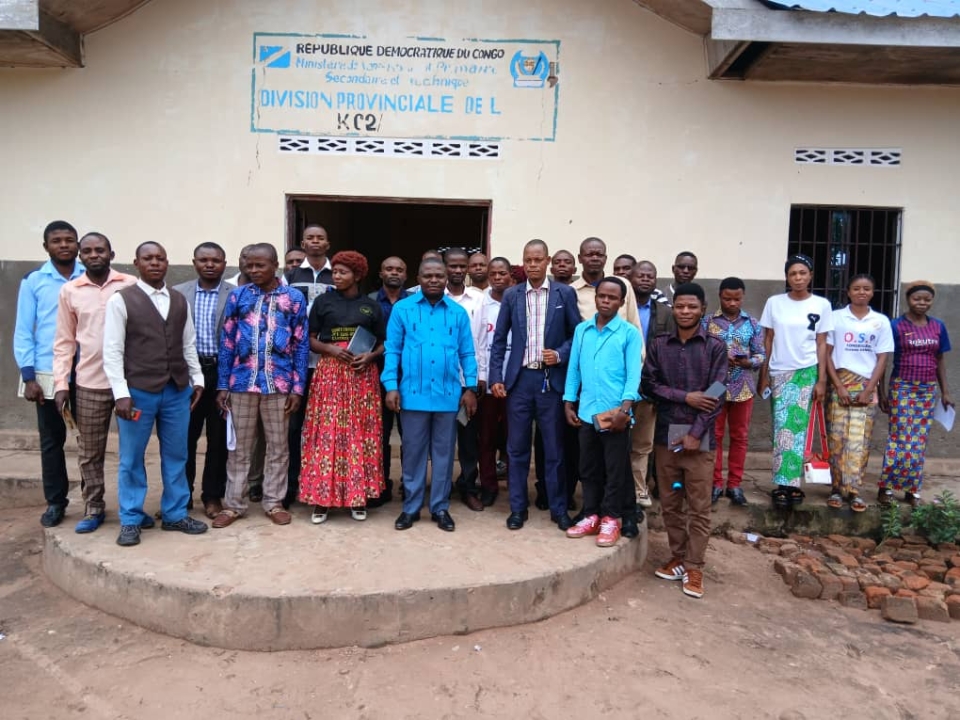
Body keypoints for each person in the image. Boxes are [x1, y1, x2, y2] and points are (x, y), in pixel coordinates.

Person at [102, 241, 208, 546]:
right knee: (131, 457)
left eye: (160, 258)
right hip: (138, 392)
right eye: (147, 258)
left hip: (176, 391)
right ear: (137, 263)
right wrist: (121, 393)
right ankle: (131, 518)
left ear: (167, 262)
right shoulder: (121, 300)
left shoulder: (179, 300)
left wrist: (197, 379)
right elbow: (112, 350)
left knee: (177, 454)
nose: (155, 263)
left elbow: (188, 343)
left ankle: (175, 513)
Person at [213, 243, 309, 528]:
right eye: (250, 265)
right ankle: (234, 505)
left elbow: (301, 344)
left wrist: (297, 388)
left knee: (278, 446)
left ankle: (273, 501)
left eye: (260, 265)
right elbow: (227, 342)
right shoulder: (239, 296)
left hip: (279, 384)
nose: (253, 270)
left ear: (275, 265)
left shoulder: (293, 298)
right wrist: (223, 384)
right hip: (241, 382)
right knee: (239, 447)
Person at [490, 239, 582, 531]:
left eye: (538, 260)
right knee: (516, 449)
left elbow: (577, 335)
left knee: (554, 449)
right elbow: (499, 340)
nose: (532, 265)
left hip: (550, 382)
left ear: (547, 261)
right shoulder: (512, 295)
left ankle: (558, 508)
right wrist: (496, 377)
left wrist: (560, 354)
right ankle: (518, 508)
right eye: (528, 260)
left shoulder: (564, 294)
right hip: (519, 382)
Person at [643, 283, 727, 599]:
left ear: (702, 309)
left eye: (692, 306)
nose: (685, 311)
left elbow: (717, 392)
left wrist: (695, 433)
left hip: (698, 435)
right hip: (667, 432)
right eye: (680, 306)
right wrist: (685, 396)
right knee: (670, 502)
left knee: (699, 506)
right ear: (673, 308)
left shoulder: (715, 347)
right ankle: (678, 557)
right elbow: (649, 384)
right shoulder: (659, 345)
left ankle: (694, 567)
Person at [382, 257, 478, 533]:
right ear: (419, 278)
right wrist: (391, 385)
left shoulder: (457, 313)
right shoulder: (402, 309)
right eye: (428, 276)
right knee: (413, 453)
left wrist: (470, 387)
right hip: (413, 396)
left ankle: (440, 507)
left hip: (448, 397)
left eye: (438, 276)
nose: (433, 280)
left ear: (446, 279)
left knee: (444, 455)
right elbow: (392, 350)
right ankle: (411, 508)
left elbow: (467, 353)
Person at [53, 232, 136, 533]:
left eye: (100, 250)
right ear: (80, 256)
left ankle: (132, 508)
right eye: (87, 251)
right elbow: (64, 341)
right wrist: (61, 384)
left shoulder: (129, 285)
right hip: (90, 383)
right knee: (90, 451)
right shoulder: (70, 291)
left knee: (132, 451)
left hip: (129, 384)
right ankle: (94, 507)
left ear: (111, 254)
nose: (94, 255)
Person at [299, 252, 385, 522]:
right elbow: (310, 338)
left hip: (362, 375)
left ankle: (357, 498)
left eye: (342, 272)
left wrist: (370, 357)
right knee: (328, 434)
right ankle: (322, 499)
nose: (336, 276)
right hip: (330, 373)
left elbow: (384, 342)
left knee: (360, 433)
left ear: (357, 275)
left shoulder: (371, 306)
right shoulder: (323, 302)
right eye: (334, 271)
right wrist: (331, 350)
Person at [14, 220, 84, 528]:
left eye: (69, 240)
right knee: (52, 440)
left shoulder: (90, 275)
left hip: (87, 371)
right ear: (46, 246)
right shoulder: (34, 281)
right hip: (48, 373)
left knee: (90, 441)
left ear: (78, 244)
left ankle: (93, 500)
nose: (64, 245)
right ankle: (56, 501)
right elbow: (23, 331)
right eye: (57, 241)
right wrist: (29, 376)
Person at [563, 277, 642, 547]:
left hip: (615, 415)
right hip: (587, 412)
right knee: (588, 467)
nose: (606, 301)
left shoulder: (629, 333)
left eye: (612, 297)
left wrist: (625, 409)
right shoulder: (582, 330)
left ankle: (611, 517)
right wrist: (568, 401)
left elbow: (633, 375)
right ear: (595, 298)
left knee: (615, 469)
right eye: (602, 296)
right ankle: (591, 514)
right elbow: (574, 369)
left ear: (621, 302)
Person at [758, 254, 834, 508]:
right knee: (783, 429)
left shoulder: (822, 305)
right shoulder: (774, 303)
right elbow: (768, 339)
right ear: (787, 278)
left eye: (803, 273)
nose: (798, 278)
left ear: (810, 275)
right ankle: (783, 484)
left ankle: (792, 484)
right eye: (793, 274)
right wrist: (763, 375)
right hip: (780, 372)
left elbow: (822, 343)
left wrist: (821, 380)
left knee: (800, 430)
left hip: (806, 372)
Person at [173, 242, 235, 519]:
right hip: (188, 373)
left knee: (218, 439)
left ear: (224, 264)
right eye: (204, 260)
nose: (210, 265)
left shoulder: (235, 294)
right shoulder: (178, 293)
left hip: (222, 372)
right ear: (194, 262)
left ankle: (212, 496)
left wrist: (229, 380)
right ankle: (182, 496)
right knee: (184, 437)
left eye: (216, 260)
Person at [878, 281, 952, 507]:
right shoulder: (895, 325)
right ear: (907, 299)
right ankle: (886, 488)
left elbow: (940, 359)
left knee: (919, 441)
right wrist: (881, 392)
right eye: (917, 299)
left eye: (927, 300)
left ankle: (912, 489)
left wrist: (945, 391)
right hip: (902, 386)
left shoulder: (938, 326)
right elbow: (884, 359)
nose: (922, 303)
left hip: (927, 390)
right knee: (900, 438)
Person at [824, 274, 893, 511]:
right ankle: (836, 489)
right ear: (848, 292)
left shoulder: (881, 321)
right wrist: (838, 386)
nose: (861, 292)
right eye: (856, 288)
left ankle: (854, 491)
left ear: (872, 293)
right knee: (837, 438)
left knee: (860, 439)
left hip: (866, 385)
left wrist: (870, 388)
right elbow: (826, 354)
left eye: (866, 289)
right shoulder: (836, 318)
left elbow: (882, 358)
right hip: (840, 381)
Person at [284, 224, 334, 506]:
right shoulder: (291, 276)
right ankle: (291, 486)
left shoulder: (337, 274)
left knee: (324, 428)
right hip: (296, 365)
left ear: (328, 243)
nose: (315, 241)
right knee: (294, 427)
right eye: (310, 238)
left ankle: (320, 484)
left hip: (328, 363)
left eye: (320, 238)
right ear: (303, 243)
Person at [704, 277, 765, 507]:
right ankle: (715, 483)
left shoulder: (753, 323)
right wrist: (718, 358)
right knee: (714, 435)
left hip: (743, 385)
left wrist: (749, 362)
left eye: (737, 299)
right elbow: (700, 351)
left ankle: (735, 485)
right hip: (715, 386)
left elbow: (761, 354)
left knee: (740, 437)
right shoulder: (708, 321)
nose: (732, 303)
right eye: (727, 298)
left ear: (743, 297)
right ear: (720, 296)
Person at [368, 256, 413, 506]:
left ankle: (409, 483)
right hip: (375, 375)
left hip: (410, 377)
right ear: (381, 273)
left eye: (399, 269)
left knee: (411, 436)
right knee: (379, 433)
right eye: (389, 269)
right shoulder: (369, 301)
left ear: (406, 275)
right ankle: (381, 484)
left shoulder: (415, 301)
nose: (394, 272)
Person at [443, 247, 486, 512]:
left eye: (462, 266)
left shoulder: (479, 299)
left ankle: (468, 486)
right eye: (453, 266)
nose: (458, 270)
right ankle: (442, 487)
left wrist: (476, 381)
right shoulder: (434, 297)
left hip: (467, 382)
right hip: (440, 382)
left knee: (469, 439)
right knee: (442, 438)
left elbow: (482, 341)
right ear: (444, 267)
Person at [628, 260, 673, 509]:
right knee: (615, 444)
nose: (645, 279)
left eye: (650, 276)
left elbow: (670, 352)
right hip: (620, 387)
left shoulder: (665, 312)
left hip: (648, 388)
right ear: (630, 278)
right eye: (640, 275)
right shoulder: (620, 308)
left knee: (643, 444)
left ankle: (639, 490)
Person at [476, 257, 513, 506]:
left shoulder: (519, 300)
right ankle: (488, 485)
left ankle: (515, 486)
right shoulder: (480, 303)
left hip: (515, 383)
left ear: (510, 276)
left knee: (513, 439)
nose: (498, 278)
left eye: (502, 273)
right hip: (487, 383)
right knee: (486, 438)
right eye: (493, 274)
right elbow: (477, 341)